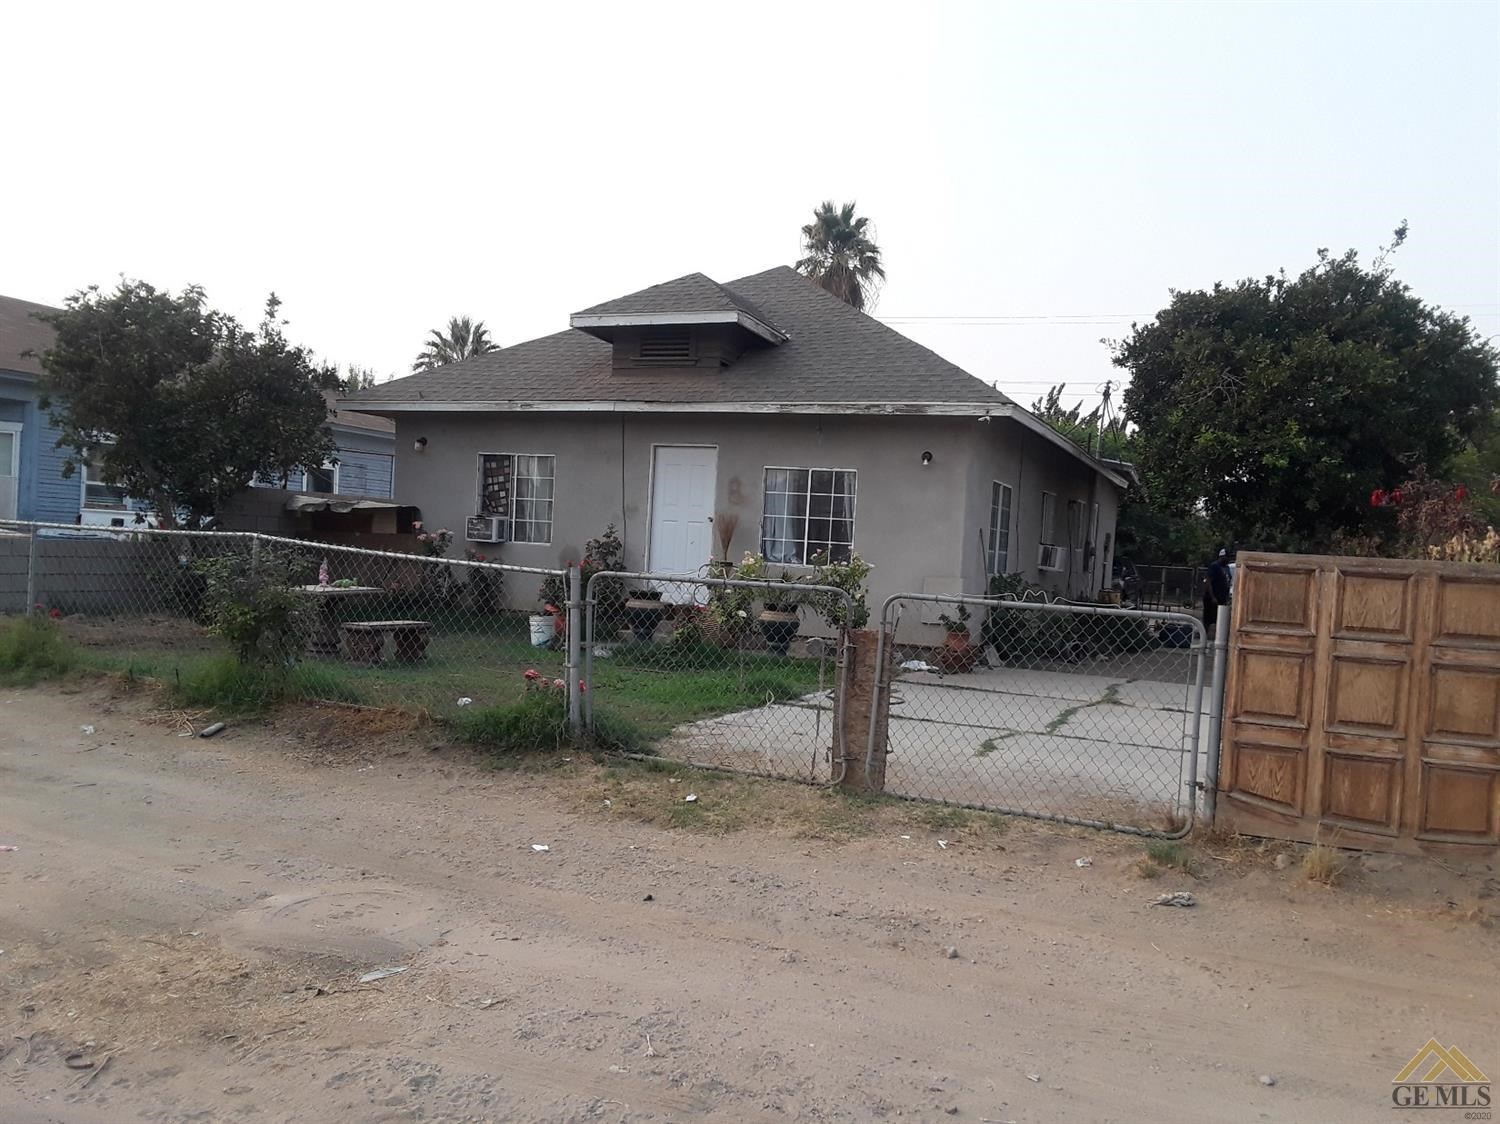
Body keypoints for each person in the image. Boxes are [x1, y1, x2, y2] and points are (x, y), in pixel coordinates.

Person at [1203, 547, 1232, 634]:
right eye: (1226, 557)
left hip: (1222, 597)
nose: (1228, 559)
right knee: (1209, 617)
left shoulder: (1227, 568)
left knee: (1220, 618)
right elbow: (1208, 581)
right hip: (1213, 597)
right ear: (1221, 557)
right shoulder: (1214, 566)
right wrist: (1212, 597)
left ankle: (1217, 635)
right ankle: (1205, 634)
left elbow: (1227, 581)